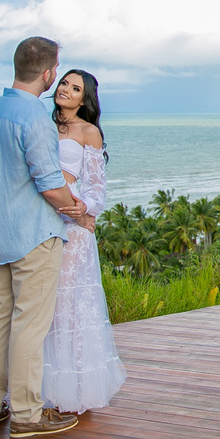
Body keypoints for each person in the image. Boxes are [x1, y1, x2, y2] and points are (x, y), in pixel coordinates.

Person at [0, 36, 84, 438]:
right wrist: (73, 207)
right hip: (33, 235)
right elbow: (49, 182)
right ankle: (25, 414)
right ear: (49, 73)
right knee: (28, 327)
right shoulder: (35, 117)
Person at [42, 68, 127, 413]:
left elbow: (96, 188)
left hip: (73, 230)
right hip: (41, 222)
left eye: (75, 88)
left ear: (84, 98)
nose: (66, 89)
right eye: (64, 82)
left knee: (70, 308)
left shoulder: (88, 131)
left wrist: (84, 208)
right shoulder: (40, 123)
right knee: (43, 308)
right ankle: (39, 388)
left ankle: (72, 390)